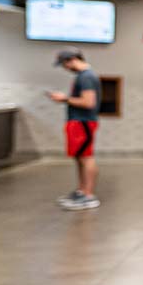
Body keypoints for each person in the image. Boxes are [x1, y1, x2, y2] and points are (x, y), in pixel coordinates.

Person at [48, 48, 101, 210]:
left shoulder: (87, 77)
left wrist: (64, 98)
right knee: (79, 157)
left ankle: (89, 195)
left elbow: (88, 102)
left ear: (71, 59)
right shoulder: (83, 76)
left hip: (83, 122)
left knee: (86, 157)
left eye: (64, 64)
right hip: (77, 122)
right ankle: (82, 191)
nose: (65, 68)